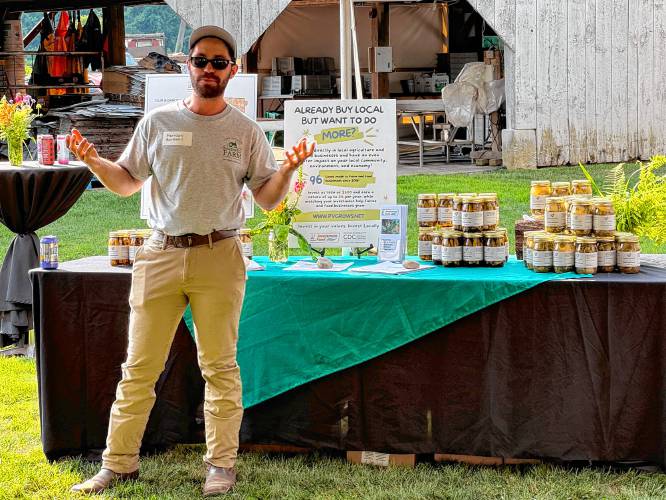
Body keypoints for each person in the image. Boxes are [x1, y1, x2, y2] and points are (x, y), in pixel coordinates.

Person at [69, 25, 315, 496]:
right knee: (138, 367)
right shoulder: (157, 123)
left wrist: (286, 170)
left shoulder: (245, 131)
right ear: (188, 67)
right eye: (200, 60)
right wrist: (95, 162)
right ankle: (117, 463)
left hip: (220, 255)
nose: (208, 69)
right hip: (160, 255)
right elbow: (126, 182)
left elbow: (268, 201)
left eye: (218, 63)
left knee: (220, 367)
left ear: (232, 71)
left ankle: (221, 466)